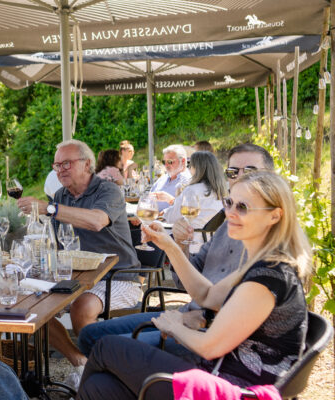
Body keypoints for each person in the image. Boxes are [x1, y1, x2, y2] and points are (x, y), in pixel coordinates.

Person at [78, 170, 311, 399]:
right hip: (218, 375)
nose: (230, 213)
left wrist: (173, 325)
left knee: (105, 347)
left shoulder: (268, 277)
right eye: (229, 202)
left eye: (243, 207)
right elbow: (206, 295)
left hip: (231, 390)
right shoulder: (260, 263)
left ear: (275, 216)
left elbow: (210, 347)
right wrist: (169, 245)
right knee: (100, 386)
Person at [78, 143, 275, 361]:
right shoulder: (225, 228)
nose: (240, 177)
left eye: (250, 171)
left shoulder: (270, 247)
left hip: (212, 335)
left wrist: (194, 318)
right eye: (232, 171)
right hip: (191, 316)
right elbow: (186, 286)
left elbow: (234, 313)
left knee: (105, 350)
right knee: (89, 336)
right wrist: (178, 245)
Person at [18, 139, 140, 386]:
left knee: (81, 307)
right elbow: (56, 243)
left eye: (66, 163)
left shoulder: (108, 190)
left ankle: (104, 378)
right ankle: (81, 362)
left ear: (87, 164)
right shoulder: (62, 195)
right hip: (75, 277)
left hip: (118, 276)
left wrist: (50, 209)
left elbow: (96, 221)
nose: (60, 169)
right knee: (29, 305)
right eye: (57, 165)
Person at [162, 151, 227, 252]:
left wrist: (165, 212)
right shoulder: (223, 191)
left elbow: (172, 217)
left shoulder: (192, 190)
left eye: (190, 165)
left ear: (197, 168)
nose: (189, 168)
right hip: (215, 245)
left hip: (192, 245)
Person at [150, 144, 191, 211]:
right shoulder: (163, 178)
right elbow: (148, 199)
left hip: (169, 220)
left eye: (170, 161)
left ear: (183, 161)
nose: (166, 165)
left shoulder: (188, 181)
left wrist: (170, 199)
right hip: (150, 217)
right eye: (164, 162)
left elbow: (189, 210)